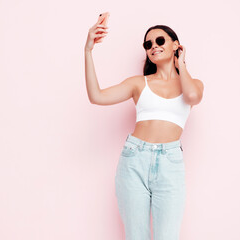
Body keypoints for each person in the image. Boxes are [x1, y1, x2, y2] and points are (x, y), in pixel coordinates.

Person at [84, 16, 204, 240]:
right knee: (136, 236)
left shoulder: (192, 83)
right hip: (134, 160)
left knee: (167, 236)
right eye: (148, 45)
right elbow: (96, 96)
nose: (153, 47)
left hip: (170, 163)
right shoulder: (139, 83)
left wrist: (181, 64)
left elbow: (192, 96)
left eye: (160, 41)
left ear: (176, 45)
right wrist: (88, 51)